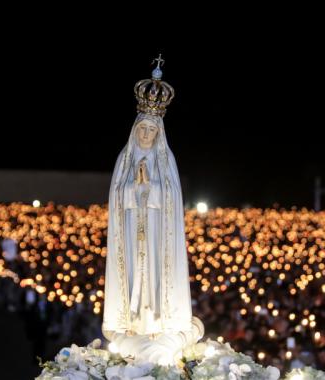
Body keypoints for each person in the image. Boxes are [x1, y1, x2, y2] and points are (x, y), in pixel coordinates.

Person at [101, 56, 202, 365]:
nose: (146, 135)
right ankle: (132, 322)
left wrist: (152, 189)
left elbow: (172, 197)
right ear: (136, 131)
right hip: (132, 232)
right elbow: (117, 197)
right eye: (142, 130)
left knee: (157, 276)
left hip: (159, 234)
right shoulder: (125, 159)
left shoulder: (164, 160)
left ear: (158, 133)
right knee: (133, 275)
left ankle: (160, 324)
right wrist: (135, 189)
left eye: (151, 131)